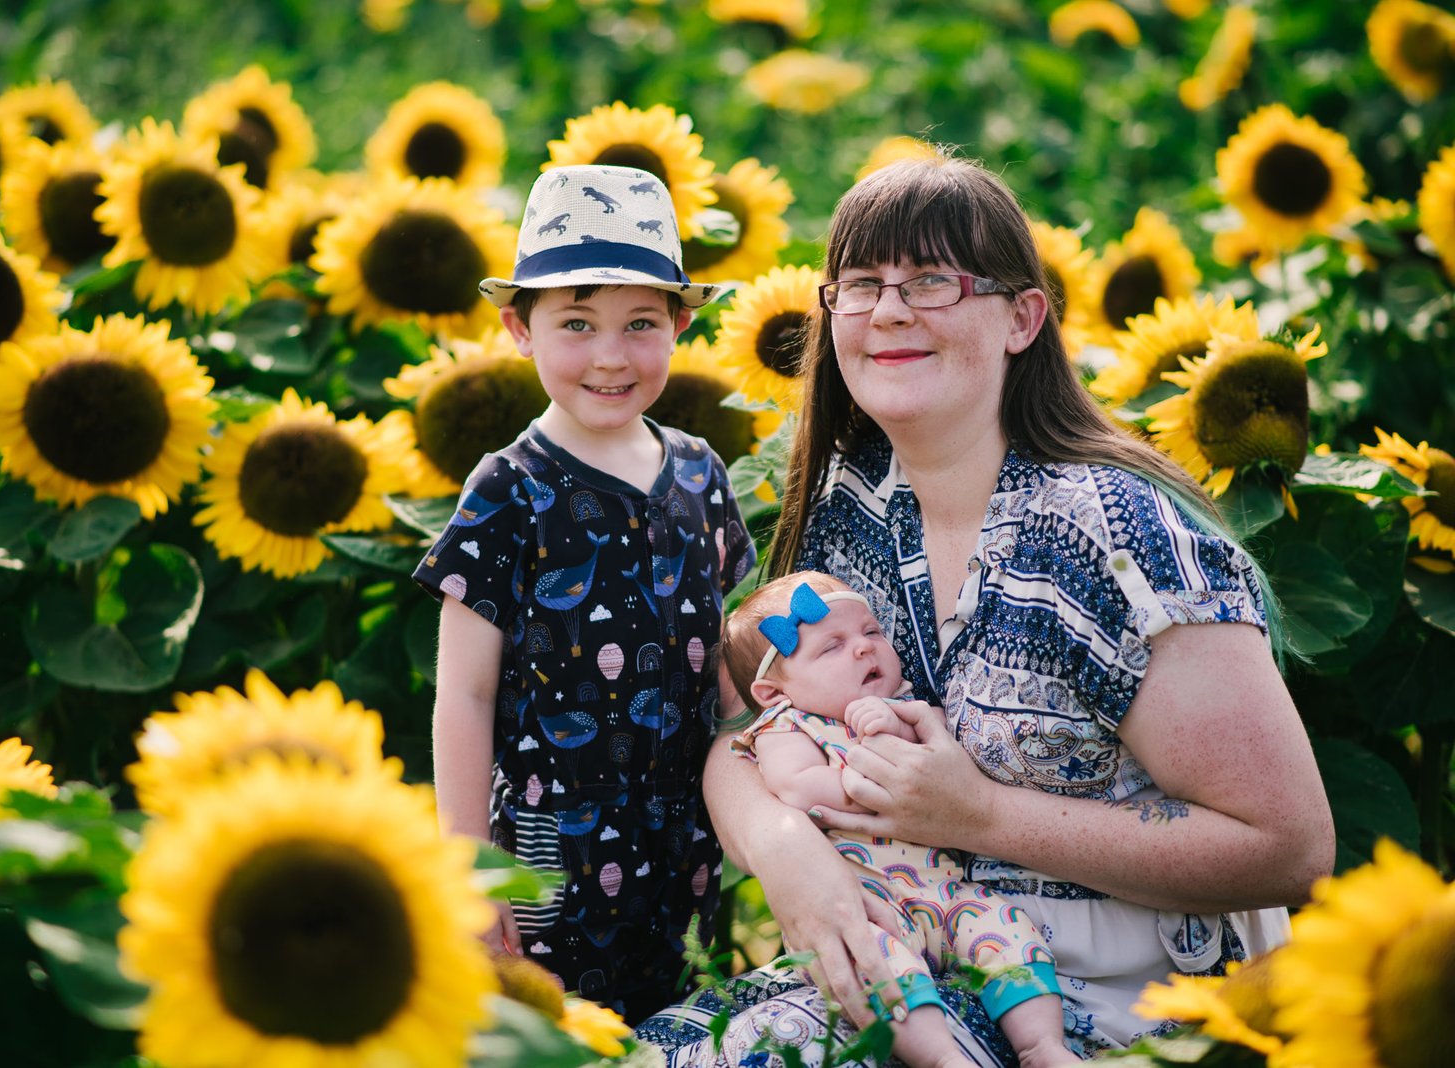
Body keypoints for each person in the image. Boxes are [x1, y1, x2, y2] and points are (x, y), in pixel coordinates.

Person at [634, 155, 1333, 1064]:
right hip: (916, 966)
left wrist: (982, 818)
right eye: (860, 285)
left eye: (930, 280)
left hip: (1131, 1008)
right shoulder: (852, 505)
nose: (888, 311)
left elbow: (1286, 847)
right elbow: (747, 726)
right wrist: (782, 850)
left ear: (1022, 317)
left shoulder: (1117, 535)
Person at [415, 164, 758, 1024]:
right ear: (519, 329)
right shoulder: (508, 490)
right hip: (547, 850)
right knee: (549, 1030)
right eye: (577, 323)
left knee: (674, 1020)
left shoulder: (700, 474)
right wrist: (470, 867)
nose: (611, 355)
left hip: (682, 839)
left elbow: (724, 665)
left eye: (641, 323)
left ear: (682, 324)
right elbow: (463, 693)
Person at [720, 571, 1078, 1068]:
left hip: (947, 893)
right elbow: (796, 786)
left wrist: (897, 726)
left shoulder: (905, 703)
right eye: (832, 647)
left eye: (872, 632)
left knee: (1007, 930)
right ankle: (940, 1058)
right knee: (876, 972)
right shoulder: (786, 726)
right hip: (866, 906)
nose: (865, 650)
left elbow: (943, 766)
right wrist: (871, 776)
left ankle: (1042, 1044)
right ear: (774, 693)